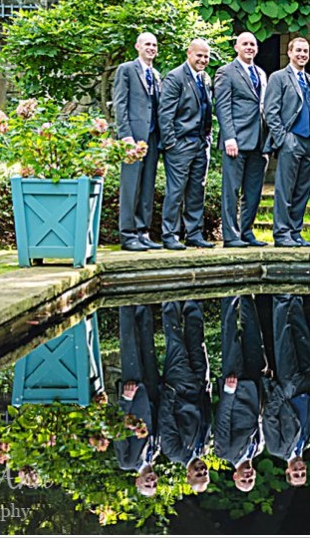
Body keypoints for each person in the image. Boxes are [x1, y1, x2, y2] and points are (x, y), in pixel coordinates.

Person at [263, 37, 310, 248]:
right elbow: (270, 111)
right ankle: (281, 233)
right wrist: (283, 139)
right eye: (298, 50)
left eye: (305, 51)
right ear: (289, 52)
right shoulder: (278, 78)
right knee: (284, 189)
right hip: (291, 140)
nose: (302, 54)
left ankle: (296, 232)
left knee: (302, 191)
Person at [157, 39, 216, 250]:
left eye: (206, 56)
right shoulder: (175, 77)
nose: (203, 59)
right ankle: (170, 235)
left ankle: (194, 234)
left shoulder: (205, 78)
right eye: (199, 55)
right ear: (188, 53)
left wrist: (207, 139)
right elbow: (165, 113)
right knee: (175, 191)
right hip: (180, 144)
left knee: (196, 191)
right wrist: (171, 143)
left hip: (201, 143)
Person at [215, 32, 268, 248]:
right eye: (245, 44)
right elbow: (223, 106)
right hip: (235, 141)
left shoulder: (262, 73)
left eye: (253, 44)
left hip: (259, 142)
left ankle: (246, 232)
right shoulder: (226, 72)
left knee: (253, 191)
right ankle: (230, 235)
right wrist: (229, 137)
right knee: (231, 190)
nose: (249, 47)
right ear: (236, 47)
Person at [263, 294, 310, 487]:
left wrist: (282, 391)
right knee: (303, 337)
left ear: (288, 472)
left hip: (289, 387)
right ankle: (296, 301)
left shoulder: (276, 448)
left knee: (284, 339)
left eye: (296, 473)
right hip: (307, 384)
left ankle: (281, 299)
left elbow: (269, 417)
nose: (299, 469)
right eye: (302, 472)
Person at [113, 32, 162, 252]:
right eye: (147, 44)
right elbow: (120, 104)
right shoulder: (126, 70)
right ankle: (128, 234)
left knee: (147, 187)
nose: (151, 48)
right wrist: (126, 136)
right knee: (131, 187)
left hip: (152, 138)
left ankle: (143, 232)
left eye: (154, 45)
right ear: (137, 47)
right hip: (132, 137)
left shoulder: (157, 75)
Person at [158, 300, 213, 494]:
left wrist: (170, 392)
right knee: (196, 337)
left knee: (175, 341)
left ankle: (170, 297)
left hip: (180, 388)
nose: (201, 470)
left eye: (198, 474)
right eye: (205, 473)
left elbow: (166, 420)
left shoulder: (175, 452)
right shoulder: (203, 448)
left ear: (188, 476)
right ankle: (193, 297)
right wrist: (207, 388)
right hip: (199, 384)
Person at [215, 295, 267, 492]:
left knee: (231, 337)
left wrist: (228, 393)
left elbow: (222, 420)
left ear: (235, 476)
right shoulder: (259, 448)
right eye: (251, 479)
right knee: (253, 335)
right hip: (254, 384)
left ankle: (228, 295)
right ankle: (246, 295)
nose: (248, 476)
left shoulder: (225, 452)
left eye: (243, 480)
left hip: (235, 388)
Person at [114, 305, 162, 496]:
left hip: (132, 394)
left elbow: (118, 431)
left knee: (130, 346)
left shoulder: (127, 462)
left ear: (138, 481)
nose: (151, 482)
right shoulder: (157, 451)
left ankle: (125, 304)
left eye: (146, 485)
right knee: (147, 344)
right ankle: (143, 304)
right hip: (151, 391)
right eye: (154, 484)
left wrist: (126, 399)